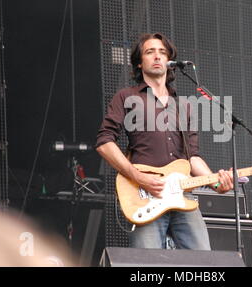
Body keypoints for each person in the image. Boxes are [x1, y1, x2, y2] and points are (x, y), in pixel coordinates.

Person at [95, 32, 233, 250]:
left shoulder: (184, 106)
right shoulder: (127, 97)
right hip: (145, 195)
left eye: (162, 52)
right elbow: (104, 142)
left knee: (204, 262)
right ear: (139, 63)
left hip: (182, 197)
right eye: (150, 52)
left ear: (170, 62)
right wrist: (138, 177)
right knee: (148, 266)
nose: (157, 56)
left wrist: (216, 183)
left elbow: (192, 157)